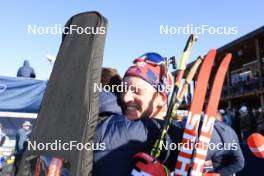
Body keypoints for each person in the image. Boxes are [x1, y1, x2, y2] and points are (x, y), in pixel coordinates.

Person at [94, 52, 244, 176]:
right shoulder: (118, 130)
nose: (125, 97)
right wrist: (225, 135)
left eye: (136, 90)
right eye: (124, 89)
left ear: (161, 98)